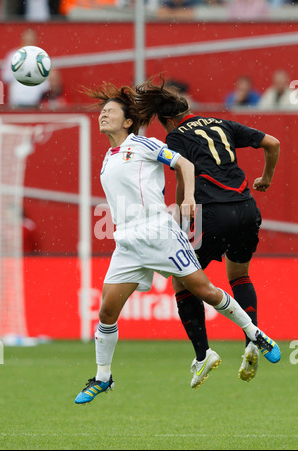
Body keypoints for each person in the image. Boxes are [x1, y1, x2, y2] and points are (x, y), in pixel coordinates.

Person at [74, 82, 280, 404]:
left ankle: (255, 334)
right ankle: (103, 377)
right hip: (127, 241)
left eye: (110, 111)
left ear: (128, 121)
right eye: (102, 111)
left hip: (159, 231)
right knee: (106, 312)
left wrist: (186, 200)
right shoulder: (108, 157)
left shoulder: (145, 144)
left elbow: (184, 163)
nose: (103, 115)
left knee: (203, 290)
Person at [135, 75, 280, 386]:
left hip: (211, 212)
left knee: (182, 279)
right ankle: (251, 339)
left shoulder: (175, 137)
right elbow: (273, 143)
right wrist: (266, 177)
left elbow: (182, 177)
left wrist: (177, 215)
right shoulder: (222, 123)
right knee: (240, 274)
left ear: (168, 121)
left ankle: (203, 355)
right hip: (246, 208)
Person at [0, 28, 50, 108]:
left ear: (36, 40)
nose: (29, 41)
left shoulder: (41, 57)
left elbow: (46, 84)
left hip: (35, 103)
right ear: (22, 38)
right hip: (16, 101)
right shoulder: (13, 55)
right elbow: (5, 76)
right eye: (27, 38)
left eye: (31, 39)